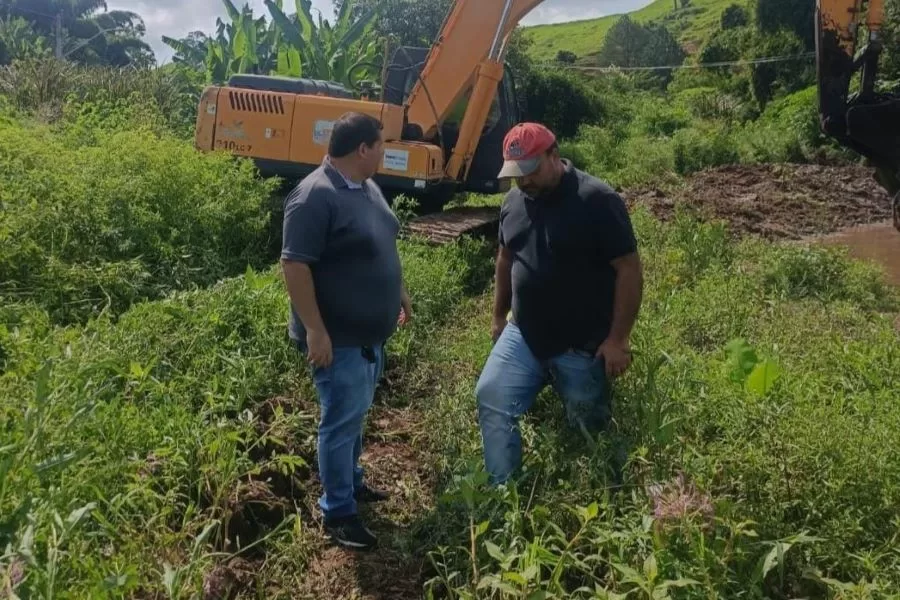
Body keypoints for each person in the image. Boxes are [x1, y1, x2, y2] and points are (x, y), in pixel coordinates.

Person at [475, 122, 644, 486]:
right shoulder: (513, 203)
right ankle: (504, 495)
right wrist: (498, 315)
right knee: (491, 396)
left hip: (580, 344)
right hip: (524, 334)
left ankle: (604, 499)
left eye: (530, 171)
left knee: (589, 431)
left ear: (554, 155)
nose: (524, 182)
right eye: (516, 174)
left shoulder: (597, 200)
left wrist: (617, 340)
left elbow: (628, 270)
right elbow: (506, 258)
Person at [280, 111, 413, 550]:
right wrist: (316, 330)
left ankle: (352, 484)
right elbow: (295, 265)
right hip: (338, 340)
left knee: (355, 419)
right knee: (339, 423)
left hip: (371, 336)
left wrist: (400, 292)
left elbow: (383, 243)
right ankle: (337, 513)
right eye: (381, 145)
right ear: (363, 149)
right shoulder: (314, 196)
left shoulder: (368, 187)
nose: (384, 151)